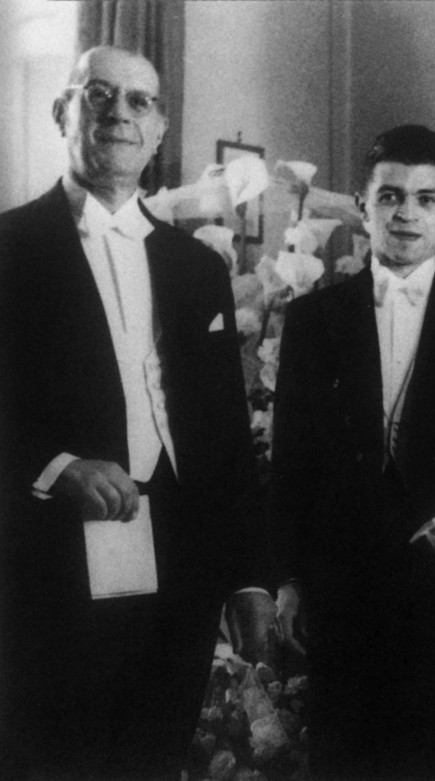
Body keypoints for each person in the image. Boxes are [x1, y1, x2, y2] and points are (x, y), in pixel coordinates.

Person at [0, 47, 265, 780]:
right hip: (50, 564)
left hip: (183, 559)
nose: (119, 112)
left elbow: (225, 432)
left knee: (153, 755)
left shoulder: (199, 267)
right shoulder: (10, 248)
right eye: (99, 94)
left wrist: (248, 577)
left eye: (139, 102)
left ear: (159, 130)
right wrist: (58, 466)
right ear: (64, 112)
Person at [270, 124, 435, 778]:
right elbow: (291, 461)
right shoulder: (314, 319)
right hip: (339, 584)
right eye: (389, 196)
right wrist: (287, 577)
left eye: (425, 198)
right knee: (341, 756)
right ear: (363, 206)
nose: (406, 214)